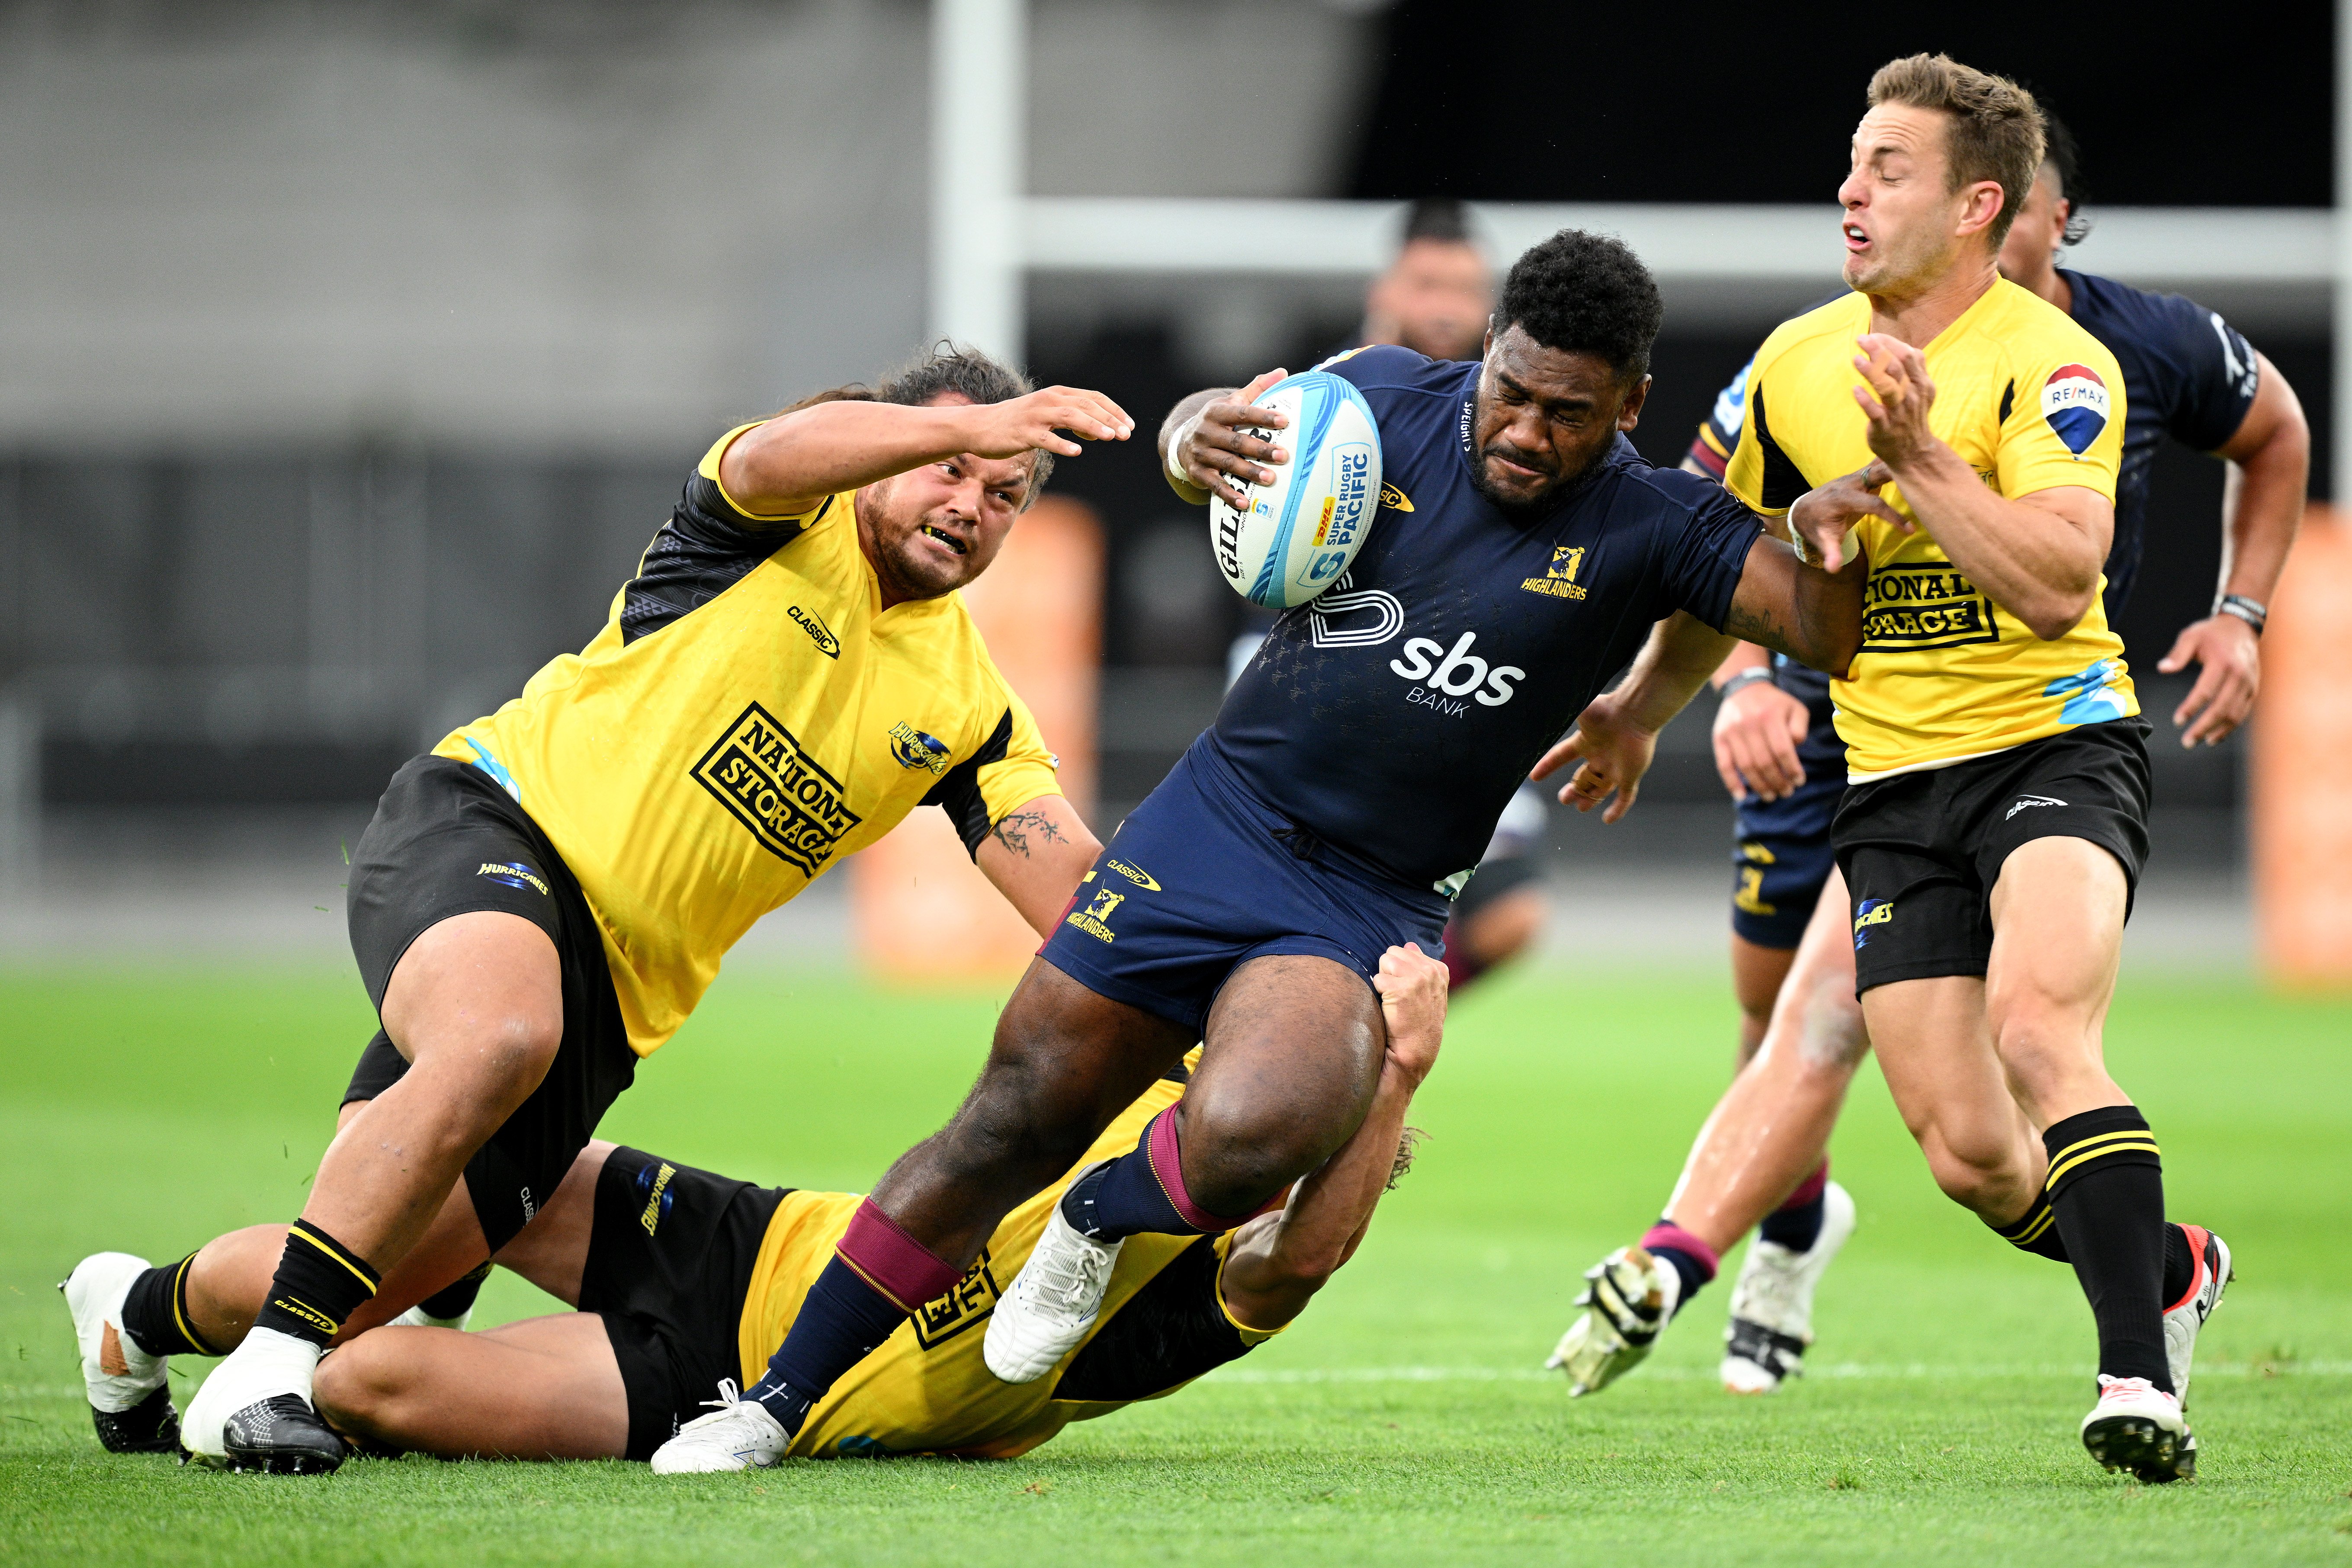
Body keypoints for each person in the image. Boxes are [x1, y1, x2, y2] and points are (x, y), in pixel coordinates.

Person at [647, 227, 1870, 1474]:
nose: (1525, 429)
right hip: (1217, 817)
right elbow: (1217, 433)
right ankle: (773, 1401)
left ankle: (1098, 1214)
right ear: (1491, 351)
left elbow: (1820, 630)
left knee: (1267, 1123)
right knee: (1007, 1113)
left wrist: (1826, 543)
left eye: (1568, 413)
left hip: (1368, 891)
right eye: (1512, 388)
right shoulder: (1384, 393)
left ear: (1630, 405)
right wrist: (1189, 439)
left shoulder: (1654, 517)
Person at [60, 349, 1133, 1473]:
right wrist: (985, 425)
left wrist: (1233, 971)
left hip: (611, 1011)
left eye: (1004, 493)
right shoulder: (776, 514)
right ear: (886, 448)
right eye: (947, 465)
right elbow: (769, 450)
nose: (969, 504)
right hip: (492, 826)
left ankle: (133, 1310)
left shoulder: (971, 711)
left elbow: (1075, 893)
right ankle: (269, 1371)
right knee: (500, 1032)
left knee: (368, 1269)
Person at [1551, 56, 2244, 1484]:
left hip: (2056, 743)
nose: (1851, 191)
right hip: (1891, 787)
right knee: (1974, 1157)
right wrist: (1639, 710)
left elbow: (2061, 581)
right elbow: (1716, 580)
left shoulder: (2057, 361)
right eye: (1852, 165)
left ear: (1979, 202)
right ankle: (2171, 1267)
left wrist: (1924, 460)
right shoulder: (1798, 365)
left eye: (1888, 168)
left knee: (2045, 1030)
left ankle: (2137, 1382)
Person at [93, 943, 1448, 1468]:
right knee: (434, 1203)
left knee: (370, 1378)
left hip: (706, 1383)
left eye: (1300, 1150)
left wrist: (1400, 1068)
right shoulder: (1185, 1102)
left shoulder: (1189, 1310)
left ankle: (244, 1355)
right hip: (754, 1236)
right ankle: (135, 1311)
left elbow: (1299, 1264)